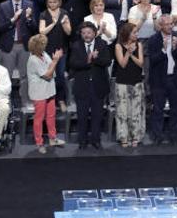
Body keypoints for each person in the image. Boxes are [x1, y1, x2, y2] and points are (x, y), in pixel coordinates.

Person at [68, 22, 112, 150]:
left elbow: (107, 62)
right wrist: (88, 61)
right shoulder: (76, 46)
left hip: (98, 86)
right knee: (82, 116)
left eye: (89, 32)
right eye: (83, 33)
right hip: (82, 86)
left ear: (94, 33)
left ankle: (96, 140)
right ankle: (82, 141)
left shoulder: (102, 44)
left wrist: (96, 59)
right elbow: (72, 64)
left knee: (97, 116)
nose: (86, 35)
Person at [147, 15, 177, 145]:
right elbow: (152, 61)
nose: (170, 26)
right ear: (160, 25)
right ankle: (157, 135)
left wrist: (175, 49)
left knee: (175, 109)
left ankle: (173, 135)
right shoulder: (153, 40)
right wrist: (164, 50)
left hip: (175, 79)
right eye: (167, 24)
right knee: (158, 109)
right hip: (159, 81)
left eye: (172, 24)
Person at [26, 34, 66, 153]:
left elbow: (50, 71)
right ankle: (39, 143)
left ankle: (52, 138)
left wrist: (53, 62)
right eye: (43, 44)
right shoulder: (33, 60)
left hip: (49, 90)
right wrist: (55, 60)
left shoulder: (44, 54)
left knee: (51, 115)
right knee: (39, 118)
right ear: (38, 46)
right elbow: (48, 74)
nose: (45, 45)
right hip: (39, 93)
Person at [113, 23, 145, 148]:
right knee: (122, 112)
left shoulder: (139, 45)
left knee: (136, 111)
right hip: (122, 83)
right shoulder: (118, 46)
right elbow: (122, 64)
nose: (137, 34)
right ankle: (123, 137)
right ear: (127, 33)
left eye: (137, 32)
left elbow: (141, 63)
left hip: (136, 81)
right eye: (134, 32)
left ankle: (135, 136)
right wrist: (127, 52)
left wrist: (132, 53)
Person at [0, 0, 38, 80]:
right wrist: (13, 19)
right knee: (6, 76)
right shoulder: (3, 6)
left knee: (25, 76)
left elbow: (34, 28)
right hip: (9, 46)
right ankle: (8, 96)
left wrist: (29, 18)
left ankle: (24, 96)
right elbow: (1, 28)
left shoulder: (29, 5)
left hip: (24, 46)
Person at [38, 0, 71, 110]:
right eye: (50, 2)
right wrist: (53, 23)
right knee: (48, 75)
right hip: (47, 50)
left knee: (60, 76)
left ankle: (61, 99)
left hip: (61, 49)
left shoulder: (64, 13)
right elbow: (42, 32)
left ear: (59, 2)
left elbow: (68, 32)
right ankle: (48, 100)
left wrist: (63, 23)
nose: (52, 4)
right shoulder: (43, 14)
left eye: (55, 2)